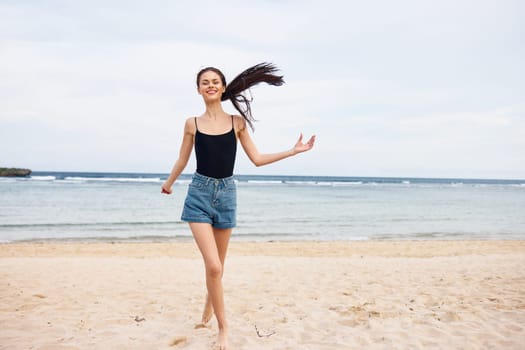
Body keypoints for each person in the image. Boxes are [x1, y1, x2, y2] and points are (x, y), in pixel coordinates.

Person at [161, 62, 315, 349]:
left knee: (218, 267)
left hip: (227, 195)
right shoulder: (191, 124)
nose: (210, 85)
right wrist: (169, 182)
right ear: (198, 89)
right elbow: (182, 159)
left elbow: (256, 159)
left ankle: (208, 307)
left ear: (222, 87)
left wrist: (293, 151)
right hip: (198, 194)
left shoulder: (236, 123)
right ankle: (223, 328)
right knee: (214, 267)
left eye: (215, 81)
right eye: (204, 82)